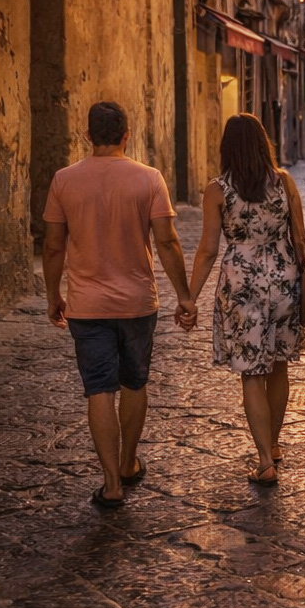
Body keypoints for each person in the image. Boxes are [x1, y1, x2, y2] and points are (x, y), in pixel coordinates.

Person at [42, 101, 195, 510]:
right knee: (134, 382)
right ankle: (129, 463)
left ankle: (110, 484)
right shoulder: (148, 179)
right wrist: (183, 295)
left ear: (87, 136)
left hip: (86, 305)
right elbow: (166, 241)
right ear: (127, 135)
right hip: (136, 303)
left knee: (98, 390)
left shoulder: (63, 180)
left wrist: (53, 294)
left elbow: (54, 245)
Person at [187, 114, 305, 487]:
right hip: (285, 278)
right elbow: (300, 238)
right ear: (263, 144)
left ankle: (263, 460)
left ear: (227, 148)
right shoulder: (283, 181)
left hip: (242, 283)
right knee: (279, 366)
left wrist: (188, 298)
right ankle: (273, 444)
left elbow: (208, 250)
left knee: (252, 374)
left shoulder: (217, 190)